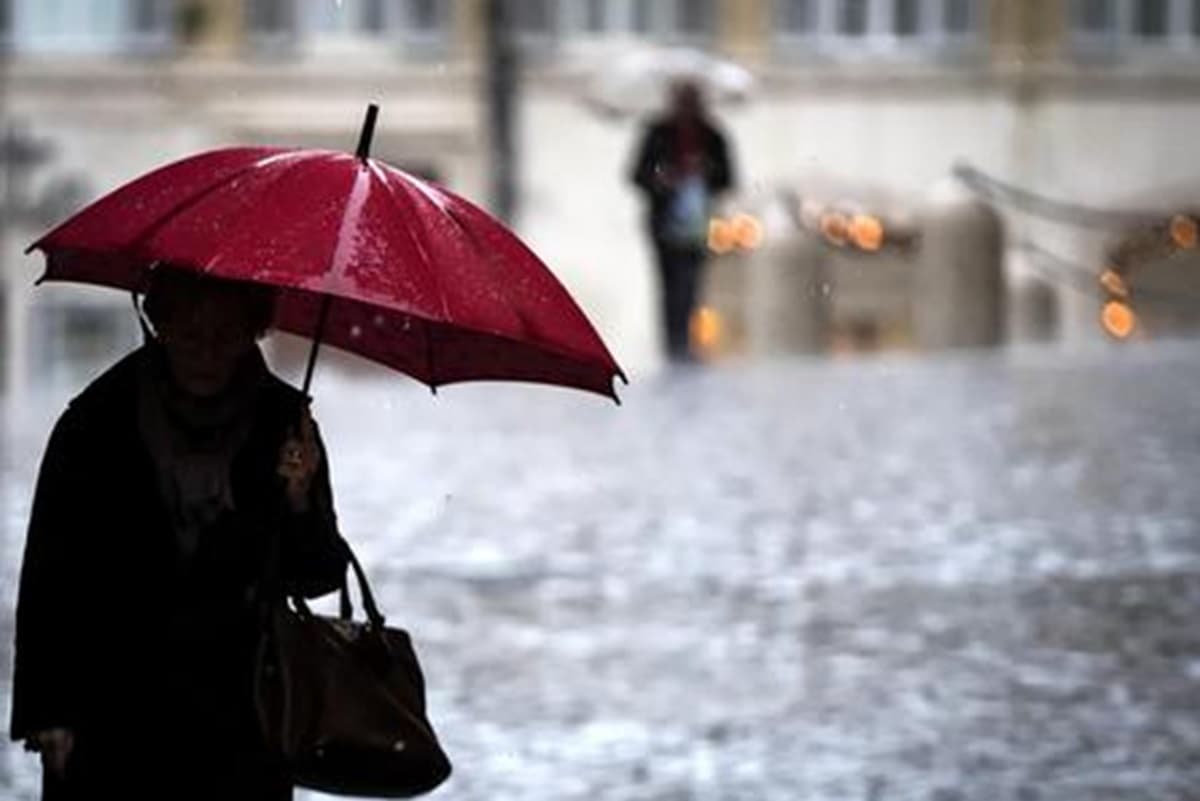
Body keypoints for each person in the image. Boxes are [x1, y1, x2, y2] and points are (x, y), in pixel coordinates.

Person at [9, 265, 349, 800]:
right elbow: (52, 573)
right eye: (190, 333)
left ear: (253, 330)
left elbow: (317, 576)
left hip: (241, 722)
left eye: (225, 334)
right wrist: (49, 711)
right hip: (113, 711)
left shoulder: (286, 424)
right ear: (159, 323)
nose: (207, 351)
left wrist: (301, 500)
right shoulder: (97, 420)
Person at [630, 79, 736, 363]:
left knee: (691, 283)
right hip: (664, 221)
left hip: (699, 222)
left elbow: (727, 178)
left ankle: (688, 339)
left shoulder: (712, 135)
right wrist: (663, 179)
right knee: (668, 283)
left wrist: (704, 172)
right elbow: (637, 174)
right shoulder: (657, 133)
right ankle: (672, 343)